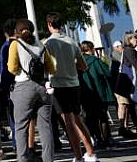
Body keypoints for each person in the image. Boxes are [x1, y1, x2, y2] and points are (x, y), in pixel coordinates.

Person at [43, 12, 97, 162]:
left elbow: (46, 67)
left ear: (49, 25)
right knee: (78, 119)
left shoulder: (48, 44)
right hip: (74, 84)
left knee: (68, 122)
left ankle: (78, 156)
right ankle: (91, 152)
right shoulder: (71, 41)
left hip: (58, 84)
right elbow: (83, 66)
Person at [7, 18, 54, 162]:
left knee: (21, 126)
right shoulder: (41, 45)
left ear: (17, 31)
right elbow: (52, 67)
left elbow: (12, 68)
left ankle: (22, 159)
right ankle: (48, 159)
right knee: (45, 126)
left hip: (23, 88)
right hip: (42, 87)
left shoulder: (15, 44)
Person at [78, 41, 114, 149]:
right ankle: (106, 140)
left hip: (85, 94)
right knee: (102, 117)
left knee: (90, 118)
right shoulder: (95, 60)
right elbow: (106, 72)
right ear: (91, 48)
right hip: (98, 93)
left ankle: (97, 139)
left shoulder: (78, 62)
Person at [0, 20, 16, 148]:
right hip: (17, 83)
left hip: (10, 85)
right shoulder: (18, 45)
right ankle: (20, 143)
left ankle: (18, 143)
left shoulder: (5, 46)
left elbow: (4, 68)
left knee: (14, 116)